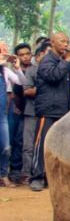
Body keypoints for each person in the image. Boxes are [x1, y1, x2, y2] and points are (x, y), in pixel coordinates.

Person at [30, 33, 70, 192]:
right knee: (41, 144)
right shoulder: (47, 61)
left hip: (62, 111)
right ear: (52, 43)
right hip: (48, 110)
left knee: (58, 147)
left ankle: (51, 178)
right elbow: (53, 76)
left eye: (67, 42)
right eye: (62, 41)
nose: (66, 44)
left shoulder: (63, 62)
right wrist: (67, 61)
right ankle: (36, 177)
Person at [20, 43, 48, 184]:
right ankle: (26, 174)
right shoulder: (32, 71)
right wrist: (45, 88)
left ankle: (41, 175)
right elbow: (27, 91)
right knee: (28, 145)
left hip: (47, 113)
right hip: (31, 112)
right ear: (38, 56)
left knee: (44, 146)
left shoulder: (53, 70)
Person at [0, 50, 27, 187]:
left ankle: (3, 175)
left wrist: (17, 68)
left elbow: (22, 82)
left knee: (6, 146)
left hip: (2, 116)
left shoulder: (4, 71)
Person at [7, 43, 33, 184]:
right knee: (16, 140)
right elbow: (13, 92)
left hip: (31, 109)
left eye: (27, 54)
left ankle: (25, 170)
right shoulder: (12, 71)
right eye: (21, 55)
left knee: (26, 142)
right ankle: (15, 170)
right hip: (17, 110)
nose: (25, 57)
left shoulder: (35, 70)